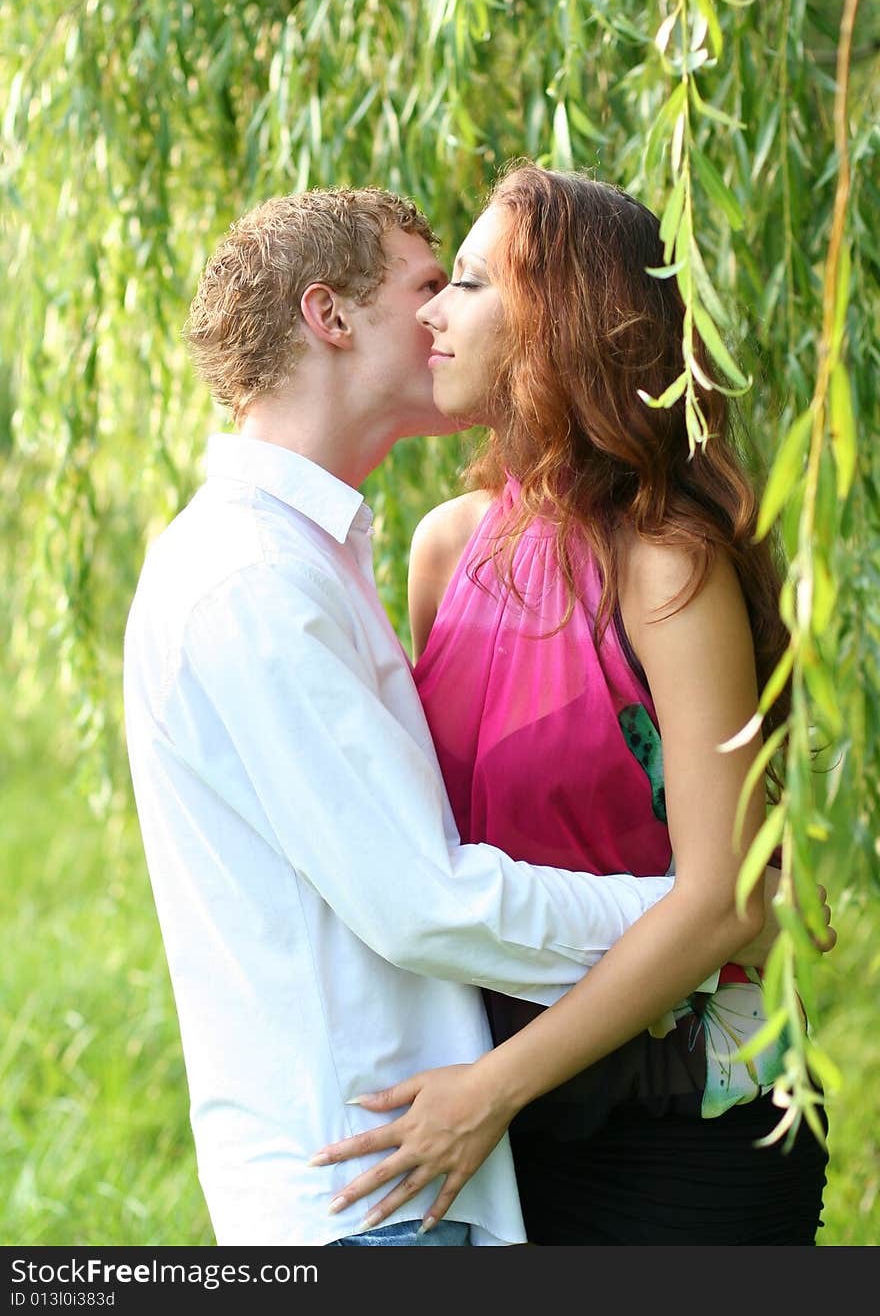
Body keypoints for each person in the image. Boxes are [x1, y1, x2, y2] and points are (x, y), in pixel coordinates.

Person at [122, 185, 723, 1248]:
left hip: (441, 1157)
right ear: (330, 316)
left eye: (466, 283)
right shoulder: (254, 581)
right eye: (425, 281)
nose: (442, 309)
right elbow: (422, 900)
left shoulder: (318, 556)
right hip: (366, 1178)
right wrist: (690, 919)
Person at [309, 166, 831, 1245]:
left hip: (684, 1124)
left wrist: (492, 1088)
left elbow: (729, 898)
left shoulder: (666, 562)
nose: (430, 314)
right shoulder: (447, 549)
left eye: (465, 283)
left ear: (559, 322)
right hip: (499, 1125)